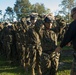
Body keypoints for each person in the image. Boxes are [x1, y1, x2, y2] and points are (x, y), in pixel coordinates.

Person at [55, 7, 76, 75]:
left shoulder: (74, 24)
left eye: (72, 15)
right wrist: (72, 41)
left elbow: (68, 36)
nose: (72, 17)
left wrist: (60, 46)